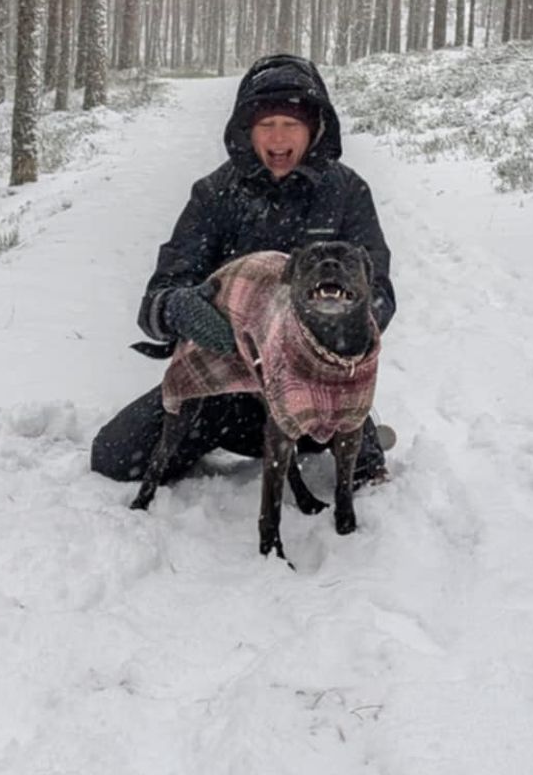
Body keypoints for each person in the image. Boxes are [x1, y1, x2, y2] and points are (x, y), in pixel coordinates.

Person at [92, 53, 396, 490]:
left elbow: (380, 291)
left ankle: (355, 428)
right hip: (226, 390)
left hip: (313, 389)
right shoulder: (216, 194)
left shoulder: (346, 191)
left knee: (356, 462)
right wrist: (177, 307)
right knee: (113, 457)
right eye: (266, 124)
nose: (278, 137)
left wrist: (334, 330)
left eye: (290, 124)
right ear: (246, 131)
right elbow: (160, 293)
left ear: (314, 128)